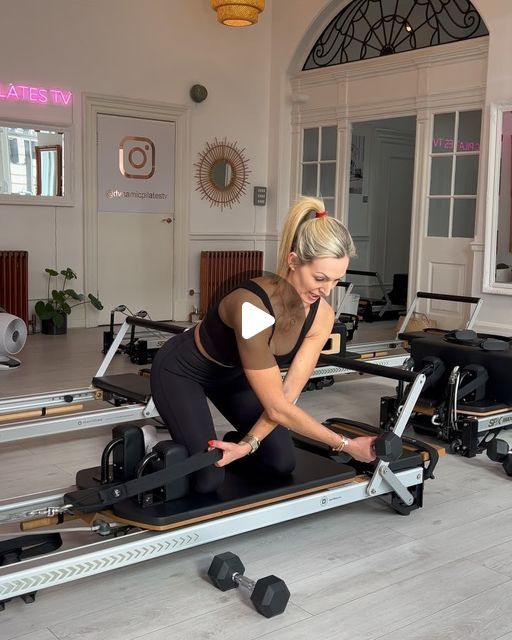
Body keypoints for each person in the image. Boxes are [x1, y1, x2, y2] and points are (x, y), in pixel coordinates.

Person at [150, 196, 376, 493]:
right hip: (182, 372)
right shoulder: (252, 307)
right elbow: (277, 408)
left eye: (335, 281)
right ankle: (151, 446)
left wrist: (247, 444)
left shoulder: (322, 316)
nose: (326, 290)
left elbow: (287, 395)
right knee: (207, 480)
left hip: (233, 377)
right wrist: (345, 444)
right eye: (320, 277)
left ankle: (226, 446)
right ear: (293, 261)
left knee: (280, 462)